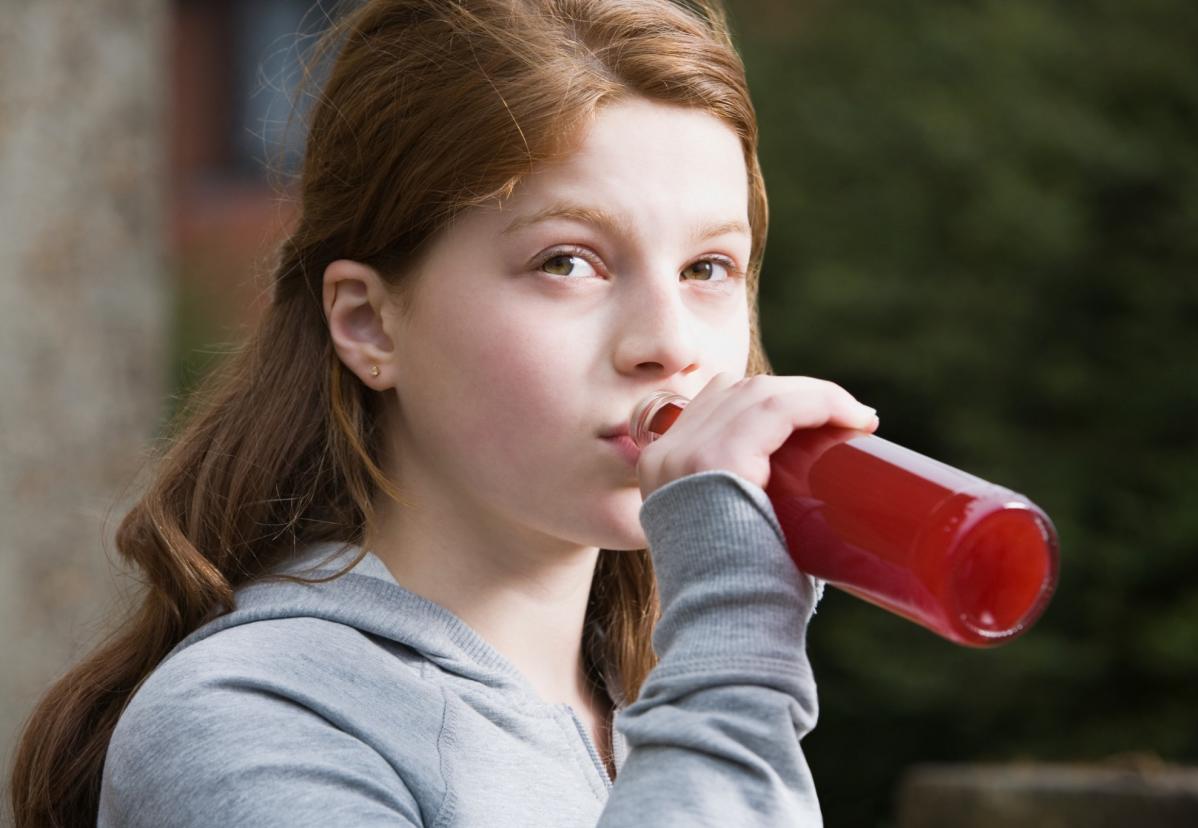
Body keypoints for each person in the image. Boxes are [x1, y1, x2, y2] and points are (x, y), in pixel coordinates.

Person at [9, 0, 880, 825]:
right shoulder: (246, 720)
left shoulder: (663, 703)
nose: (668, 343)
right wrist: (731, 656)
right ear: (368, 321)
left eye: (708, 270)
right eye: (568, 262)